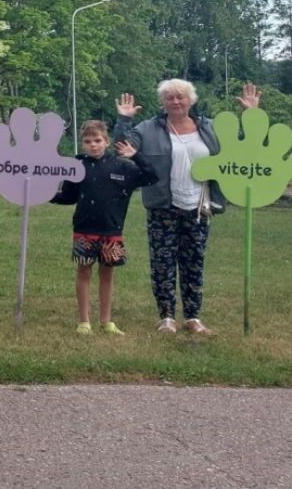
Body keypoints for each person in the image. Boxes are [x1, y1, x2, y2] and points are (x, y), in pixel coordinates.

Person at [114, 81, 258, 336]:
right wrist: (123, 120)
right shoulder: (148, 129)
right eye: (169, 97)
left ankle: (192, 317)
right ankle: (166, 317)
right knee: (162, 264)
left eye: (180, 97)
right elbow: (122, 147)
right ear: (163, 102)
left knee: (194, 264)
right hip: (162, 206)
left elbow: (241, 147)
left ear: (191, 100)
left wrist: (250, 114)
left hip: (199, 207)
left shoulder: (210, 127)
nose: (175, 101)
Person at [49, 120, 157, 335]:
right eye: (88, 141)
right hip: (84, 230)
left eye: (98, 140)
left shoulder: (123, 167)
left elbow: (152, 177)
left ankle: (106, 321)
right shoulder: (77, 166)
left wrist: (135, 155)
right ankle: (84, 321)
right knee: (84, 272)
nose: (93, 145)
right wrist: (45, 195)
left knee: (107, 275)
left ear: (107, 142)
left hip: (111, 232)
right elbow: (68, 197)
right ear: (83, 144)